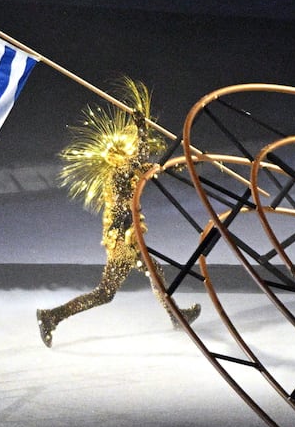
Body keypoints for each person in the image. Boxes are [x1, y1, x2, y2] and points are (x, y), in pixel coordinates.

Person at [37, 78, 200, 347]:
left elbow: (147, 167)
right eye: (125, 154)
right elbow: (140, 162)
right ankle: (52, 316)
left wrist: (177, 166)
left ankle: (53, 316)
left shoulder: (127, 173)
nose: (129, 155)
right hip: (122, 239)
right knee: (120, 285)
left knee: (123, 285)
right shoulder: (118, 175)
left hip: (127, 235)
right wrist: (141, 129)